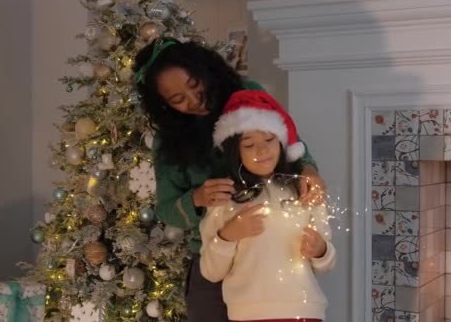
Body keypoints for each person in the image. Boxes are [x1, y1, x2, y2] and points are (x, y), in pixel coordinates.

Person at [134, 37, 326, 321]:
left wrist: (309, 170)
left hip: (269, 259)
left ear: (204, 70)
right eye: (177, 99)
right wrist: (197, 199)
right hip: (213, 262)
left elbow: (290, 142)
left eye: (193, 84)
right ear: (164, 104)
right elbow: (166, 209)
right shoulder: (169, 141)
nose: (193, 100)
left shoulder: (248, 94)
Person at [199, 89, 336, 322]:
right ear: (235, 151)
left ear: (281, 142)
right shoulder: (226, 199)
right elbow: (211, 271)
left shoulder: (303, 192)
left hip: (304, 311)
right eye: (249, 144)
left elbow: (327, 263)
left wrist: (321, 249)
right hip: (247, 314)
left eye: (269, 139)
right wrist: (228, 236)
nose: (262, 150)